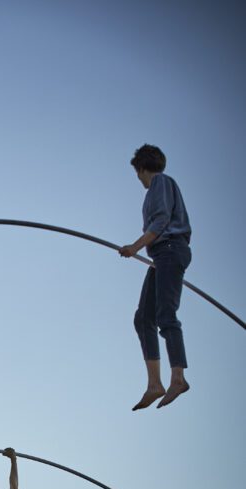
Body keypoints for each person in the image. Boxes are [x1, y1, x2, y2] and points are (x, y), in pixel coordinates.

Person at [119, 144, 192, 411]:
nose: (137, 178)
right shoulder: (155, 190)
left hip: (171, 250)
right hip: (161, 255)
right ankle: (154, 384)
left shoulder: (160, 182)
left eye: (137, 173)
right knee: (143, 318)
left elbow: (160, 221)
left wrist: (134, 247)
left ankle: (178, 378)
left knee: (166, 315)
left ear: (141, 168)